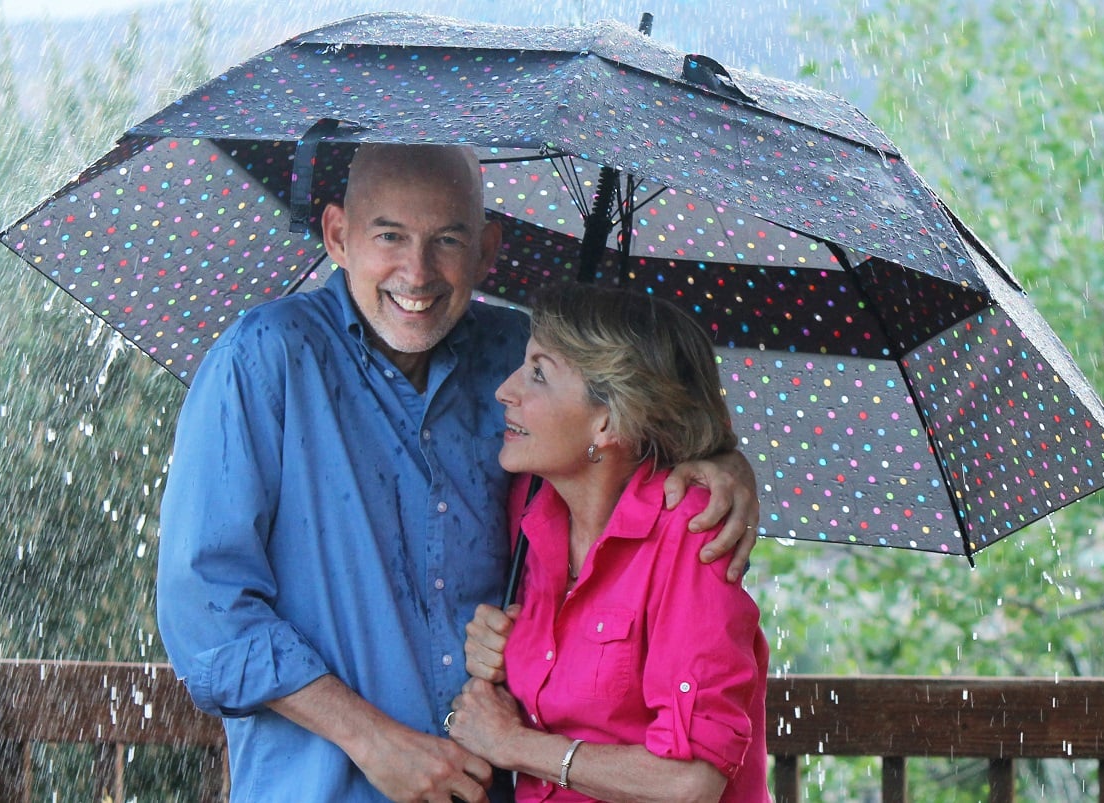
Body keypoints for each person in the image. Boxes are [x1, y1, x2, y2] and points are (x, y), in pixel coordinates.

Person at [155, 143, 761, 803]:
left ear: (488, 248)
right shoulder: (263, 361)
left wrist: (722, 462)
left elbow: (632, 424)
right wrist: (372, 739)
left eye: (446, 240)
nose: (417, 273)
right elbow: (205, 609)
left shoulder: (517, 356)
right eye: (389, 235)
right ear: (338, 234)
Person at [446, 284, 770, 802]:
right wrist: (499, 647)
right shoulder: (530, 511)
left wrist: (513, 744)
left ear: (608, 421)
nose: (505, 390)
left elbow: (690, 783)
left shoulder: (690, 533)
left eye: (538, 373)